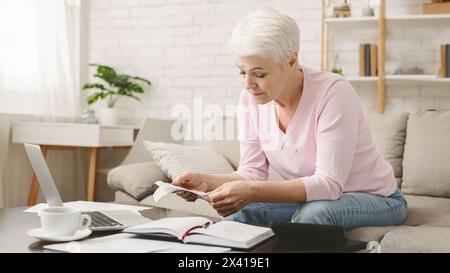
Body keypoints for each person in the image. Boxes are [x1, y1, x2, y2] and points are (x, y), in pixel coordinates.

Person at [172, 8, 407, 230]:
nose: (248, 84)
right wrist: (205, 182)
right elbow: (251, 174)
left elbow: (329, 184)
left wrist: (252, 191)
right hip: (318, 199)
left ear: (291, 61)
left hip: (377, 199)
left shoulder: (333, 92)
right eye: (242, 72)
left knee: (314, 215)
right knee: (244, 213)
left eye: (259, 74)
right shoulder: (250, 100)